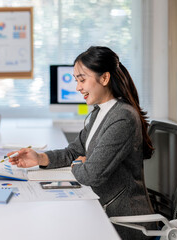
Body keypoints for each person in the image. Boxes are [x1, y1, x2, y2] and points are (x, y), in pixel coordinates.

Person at [9, 46, 156, 240]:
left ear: (104, 78)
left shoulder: (123, 118)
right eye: (76, 80)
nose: (78, 87)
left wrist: (79, 165)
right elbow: (74, 152)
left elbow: (92, 175)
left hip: (123, 222)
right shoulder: (100, 112)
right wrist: (40, 158)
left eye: (82, 79)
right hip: (102, 207)